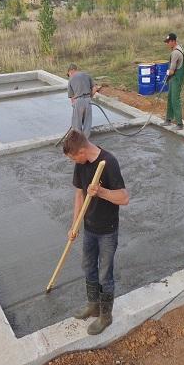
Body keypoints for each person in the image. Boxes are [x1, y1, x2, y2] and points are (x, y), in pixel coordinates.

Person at [63, 130, 129, 335]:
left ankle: (105, 316)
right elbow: (79, 195)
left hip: (107, 230)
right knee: (88, 266)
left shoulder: (108, 163)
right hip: (89, 228)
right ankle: (93, 305)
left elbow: (124, 198)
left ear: (82, 150)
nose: (73, 161)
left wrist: (101, 192)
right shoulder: (80, 164)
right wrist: (75, 225)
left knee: (104, 274)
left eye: (74, 157)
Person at [160, 33, 184, 130]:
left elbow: (171, 71)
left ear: (173, 41)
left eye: (168, 42)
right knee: (170, 97)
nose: (167, 44)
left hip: (176, 78)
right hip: (174, 78)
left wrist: (166, 78)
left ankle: (179, 124)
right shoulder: (180, 47)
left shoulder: (175, 53)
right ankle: (168, 119)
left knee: (175, 99)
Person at [67, 64, 100, 138]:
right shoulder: (87, 75)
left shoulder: (71, 78)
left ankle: (78, 143)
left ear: (71, 71)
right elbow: (95, 88)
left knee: (76, 125)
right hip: (88, 100)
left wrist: (74, 105)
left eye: (68, 74)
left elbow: (72, 97)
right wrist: (89, 98)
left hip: (78, 101)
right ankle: (86, 142)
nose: (69, 75)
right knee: (87, 124)